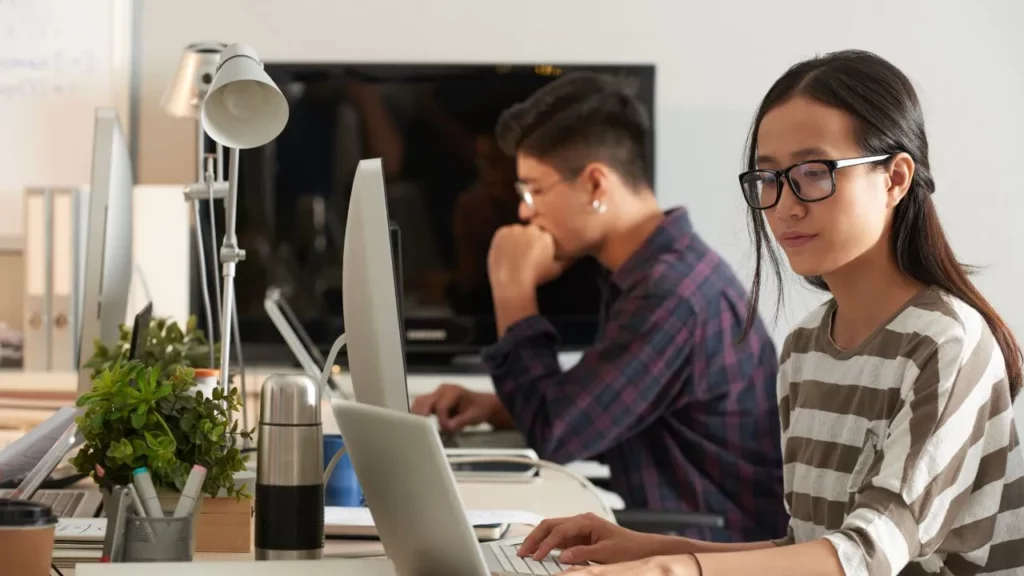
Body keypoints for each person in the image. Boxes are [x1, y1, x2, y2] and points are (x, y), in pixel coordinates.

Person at [510, 49, 1024, 576]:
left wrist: (669, 571)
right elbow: (806, 549)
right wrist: (637, 547)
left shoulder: (946, 341)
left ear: (895, 179)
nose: (785, 205)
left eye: (813, 172)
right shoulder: (805, 346)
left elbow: (868, 554)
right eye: (768, 178)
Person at [411, 71, 788, 543]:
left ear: (595, 184)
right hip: (674, 544)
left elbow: (557, 435)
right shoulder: (657, 273)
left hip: (707, 556)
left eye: (533, 190)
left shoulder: (671, 296)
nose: (525, 212)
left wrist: (511, 289)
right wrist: (496, 407)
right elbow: (603, 408)